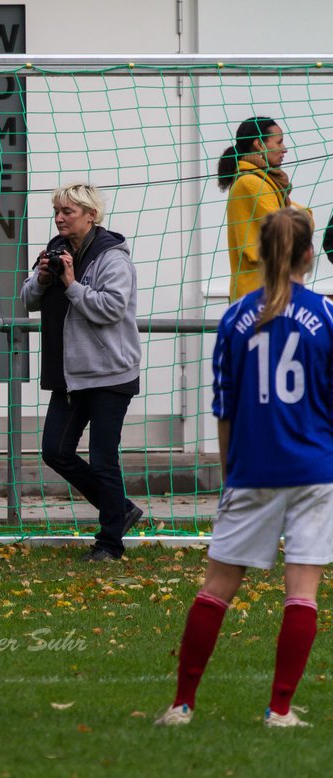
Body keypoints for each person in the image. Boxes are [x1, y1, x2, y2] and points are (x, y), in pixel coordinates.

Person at [155, 208, 333, 728]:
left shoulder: (234, 318)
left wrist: (231, 472)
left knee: (216, 587)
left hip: (251, 470)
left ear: (258, 251)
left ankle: (182, 704)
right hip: (314, 470)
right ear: (308, 253)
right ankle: (279, 710)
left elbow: (225, 407)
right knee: (302, 592)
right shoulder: (325, 315)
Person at [20, 182, 144, 562]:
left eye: (67, 212)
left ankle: (109, 543)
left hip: (110, 373)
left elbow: (110, 309)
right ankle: (120, 509)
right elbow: (26, 299)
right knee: (55, 450)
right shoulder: (57, 251)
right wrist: (43, 278)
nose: (59, 218)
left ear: (91, 215)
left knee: (104, 457)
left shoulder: (113, 258)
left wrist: (72, 285)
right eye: (57, 211)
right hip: (71, 374)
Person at [218, 116, 311, 302]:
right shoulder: (251, 183)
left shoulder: (261, 181)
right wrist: (306, 216)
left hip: (265, 293)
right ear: (259, 144)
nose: (285, 149)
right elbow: (293, 228)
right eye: (279, 141)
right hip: (259, 296)